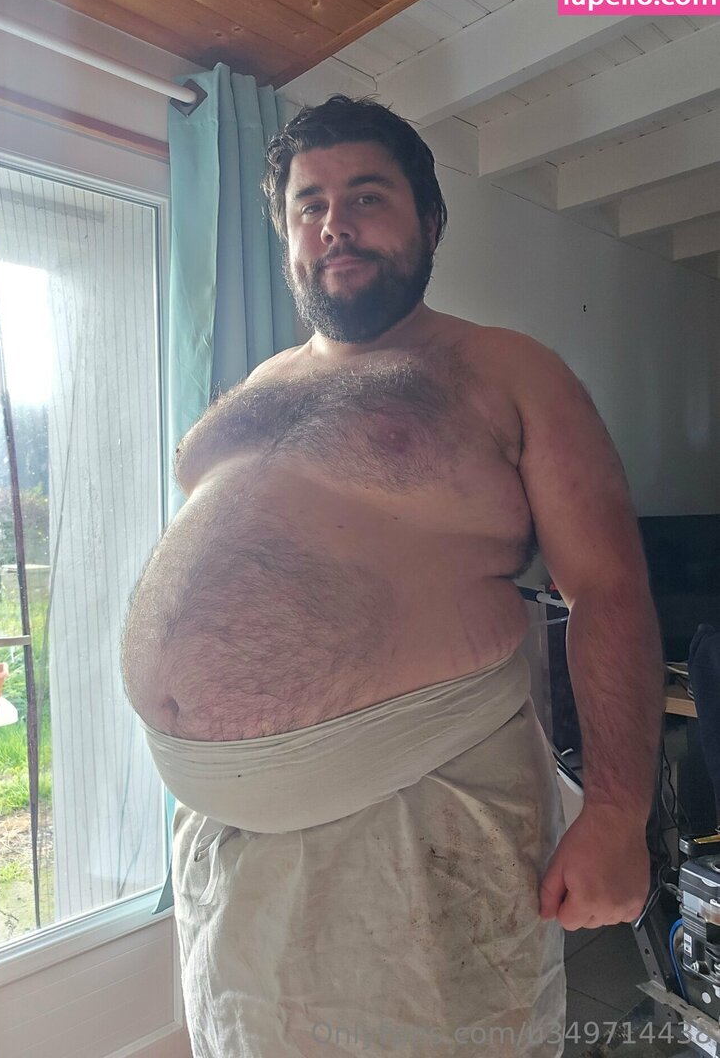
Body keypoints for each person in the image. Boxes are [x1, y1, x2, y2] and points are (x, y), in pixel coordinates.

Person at [122, 96, 665, 1056]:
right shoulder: (257, 388)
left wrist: (620, 812)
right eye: (310, 204)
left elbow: (608, 589)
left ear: (431, 221)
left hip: (418, 817)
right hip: (223, 843)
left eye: (367, 196)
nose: (334, 222)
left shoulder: (505, 369)